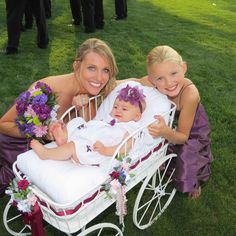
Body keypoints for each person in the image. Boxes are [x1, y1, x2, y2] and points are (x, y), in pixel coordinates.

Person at [0, 38, 118, 195]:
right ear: (76, 66)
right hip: (12, 143)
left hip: (41, 152)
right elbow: (3, 123)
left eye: (106, 70)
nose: (99, 78)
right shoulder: (46, 90)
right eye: (91, 68)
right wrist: (38, 130)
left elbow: (85, 138)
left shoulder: (92, 95)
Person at [126, 45, 213, 199]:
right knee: (161, 147)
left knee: (189, 155)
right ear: (152, 80)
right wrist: (110, 85)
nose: (169, 82)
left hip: (191, 129)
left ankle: (194, 182)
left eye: (174, 73)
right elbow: (135, 81)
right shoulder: (153, 82)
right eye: (160, 78)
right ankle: (166, 165)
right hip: (171, 124)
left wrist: (165, 132)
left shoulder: (190, 95)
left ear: (184, 68)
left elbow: (183, 137)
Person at [30, 85, 146, 165]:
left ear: (136, 116)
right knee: (78, 121)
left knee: (74, 146)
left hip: (96, 150)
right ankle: (64, 137)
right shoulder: (113, 121)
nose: (118, 111)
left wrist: (105, 150)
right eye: (115, 107)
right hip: (89, 135)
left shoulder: (131, 128)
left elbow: (124, 147)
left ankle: (46, 153)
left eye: (124, 109)